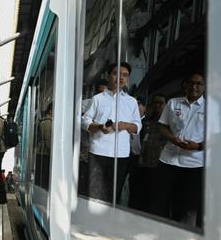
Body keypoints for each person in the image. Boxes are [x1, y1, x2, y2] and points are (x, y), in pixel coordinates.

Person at [81, 62, 142, 203]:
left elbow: (138, 126)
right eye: (116, 74)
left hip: (121, 154)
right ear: (108, 76)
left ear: (127, 79)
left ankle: (109, 222)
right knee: (95, 192)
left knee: (114, 194)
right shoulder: (97, 99)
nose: (120, 78)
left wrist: (126, 125)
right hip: (98, 152)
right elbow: (85, 121)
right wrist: (99, 126)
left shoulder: (132, 102)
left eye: (125, 75)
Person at [152, 72, 205, 227]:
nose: (194, 86)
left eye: (199, 84)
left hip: (193, 163)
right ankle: (159, 233)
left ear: (204, 87)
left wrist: (198, 146)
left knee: (188, 206)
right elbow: (162, 126)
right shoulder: (173, 103)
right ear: (185, 85)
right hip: (168, 159)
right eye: (191, 83)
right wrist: (172, 138)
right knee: (161, 199)